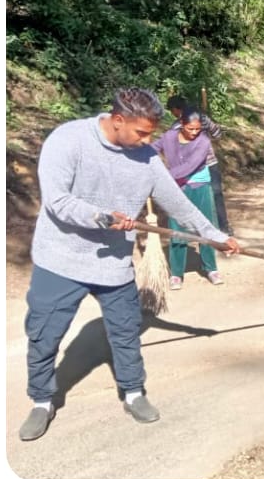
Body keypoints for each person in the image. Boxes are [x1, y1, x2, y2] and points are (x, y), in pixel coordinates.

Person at [20, 89, 240, 443]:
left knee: (125, 331)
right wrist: (102, 217)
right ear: (118, 120)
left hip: (113, 266)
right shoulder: (68, 140)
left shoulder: (146, 158)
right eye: (141, 133)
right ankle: (42, 400)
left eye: (152, 133)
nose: (148, 141)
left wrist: (214, 235)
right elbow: (57, 201)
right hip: (60, 261)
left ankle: (134, 392)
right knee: (44, 335)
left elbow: (179, 205)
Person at [152, 108, 224, 289]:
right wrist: (140, 151)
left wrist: (163, 178)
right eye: (190, 129)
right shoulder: (168, 137)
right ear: (181, 124)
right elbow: (152, 149)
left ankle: (211, 268)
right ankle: (177, 273)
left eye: (197, 129)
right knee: (177, 229)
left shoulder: (204, 141)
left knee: (206, 226)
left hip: (200, 186)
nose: (194, 133)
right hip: (177, 189)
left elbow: (189, 167)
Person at [166, 95, 231, 234]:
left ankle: (198, 228)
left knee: (193, 197)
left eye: (172, 111)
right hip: (210, 162)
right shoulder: (203, 119)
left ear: (176, 110)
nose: (173, 114)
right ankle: (224, 228)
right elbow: (217, 134)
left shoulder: (177, 126)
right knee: (216, 195)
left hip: (191, 167)